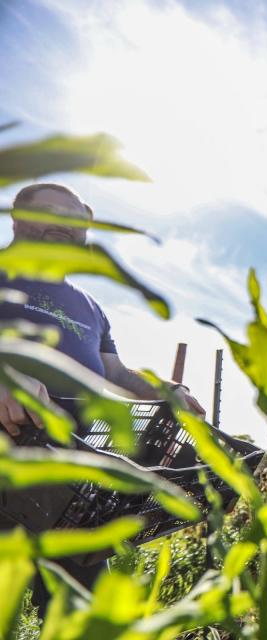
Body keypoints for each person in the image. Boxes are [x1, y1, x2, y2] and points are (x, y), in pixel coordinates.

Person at [0, 183, 206, 614]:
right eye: (52, 214)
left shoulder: (88, 306)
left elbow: (114, 371)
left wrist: (166, 390)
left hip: (69, 481)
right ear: (17, 220)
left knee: (82, 610)